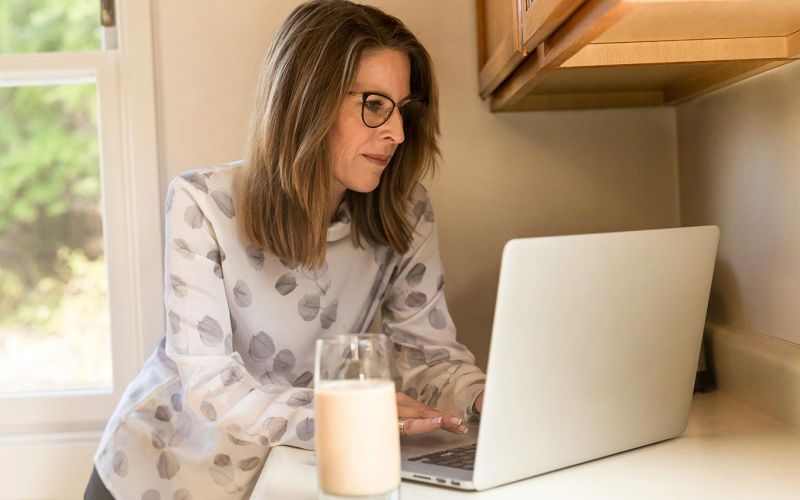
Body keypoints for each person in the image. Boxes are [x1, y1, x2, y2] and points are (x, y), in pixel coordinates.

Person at [84, 1, 486, 498]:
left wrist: (481, 396)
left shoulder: (405, 213)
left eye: (402, 109)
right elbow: (211, 387)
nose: (397, 133)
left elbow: (427, 358)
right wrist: (347, 414)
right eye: (375, 105)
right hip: (158, 476)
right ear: (307, 102)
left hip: (281, 479)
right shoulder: (201, 203)